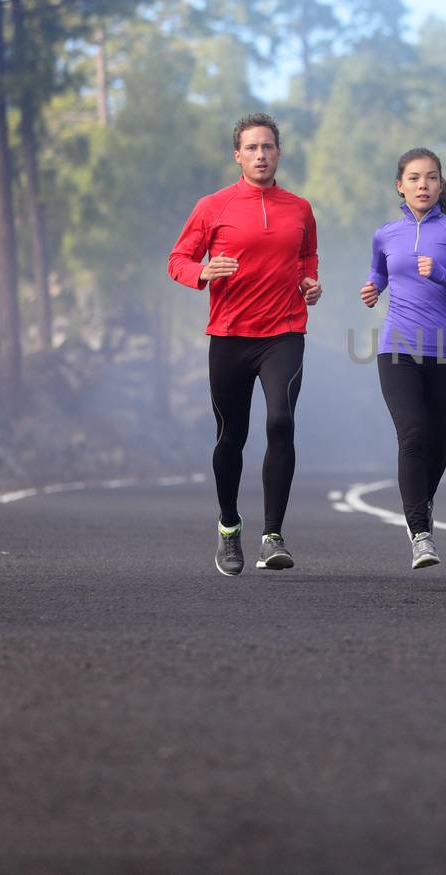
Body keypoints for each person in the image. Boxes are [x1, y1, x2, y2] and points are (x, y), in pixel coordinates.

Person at [169, 113, 321, 576]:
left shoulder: (299, 208)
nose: (261, 155)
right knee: (231, 436)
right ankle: (229, 528)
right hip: (231, 335)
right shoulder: (213, 206)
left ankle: (272, 534)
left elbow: (307, 256)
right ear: (238, 155)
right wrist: (201, 272)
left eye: (268, 147)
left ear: (279, 153)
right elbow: (178, 258)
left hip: (284, 332)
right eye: (252, 148)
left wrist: (311, 283)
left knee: (281, 421)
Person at [360, 148, 446, 569]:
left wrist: (443, 276)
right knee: (413, 434)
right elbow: (381, 271)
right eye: (414, 178)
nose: (423, 185)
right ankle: (420, 533)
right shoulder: (385, 233)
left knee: (437, 447)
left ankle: (422, 504)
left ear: (440, 184)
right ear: (400, 185)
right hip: (396, 347)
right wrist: (372, 287)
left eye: (431, 178)